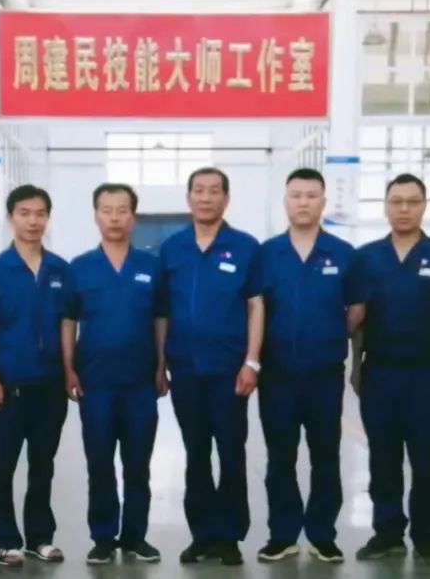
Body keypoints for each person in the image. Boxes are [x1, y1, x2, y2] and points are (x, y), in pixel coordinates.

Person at [349, 173, 430, 566]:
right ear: (385, 206)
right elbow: (358, 317)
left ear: (423, 206)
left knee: (426, 459)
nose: (404, 209)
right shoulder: (366, 258)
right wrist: (355, 365)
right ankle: (387, 532)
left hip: (427, 374)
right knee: (383, 458)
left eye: (412, 202)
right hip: (380, 372)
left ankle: (426, 537)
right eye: (396, 201)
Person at [159, 167, 264, 566]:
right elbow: (162, 311)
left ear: (226, 199)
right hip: (186, 369)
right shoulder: (173, 248)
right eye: (199, 191)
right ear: (189, 198)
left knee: (232, 453)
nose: (206, 198)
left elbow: (256, 306)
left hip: (229, 371)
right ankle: (202, 535)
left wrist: (251, 362)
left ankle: (230, 537)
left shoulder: (245, 247)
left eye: (214, 191)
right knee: (196, 454)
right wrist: (161, 363)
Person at [255, 168, 357, 564]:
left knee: (325, 455)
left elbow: (357, 307)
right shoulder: (267, 254)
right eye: (296, 195)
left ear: (323, 202)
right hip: (277, 373)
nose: (303, 202)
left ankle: (322, 534)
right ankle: (282, 535)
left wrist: (331, 333)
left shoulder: (343, 253)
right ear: (285, 201)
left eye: (311, 195)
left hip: (324, 374)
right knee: (280, 456)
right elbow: (255, 308)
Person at [61, 183, 167, 565]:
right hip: (96, 382)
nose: (115, 218)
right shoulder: (80, 267)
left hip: (140, 382)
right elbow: (68, 321)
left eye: (122, 210)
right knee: (100, 463)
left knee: (138, 464)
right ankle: (104, 538)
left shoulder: (151, 266)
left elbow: (160, 318)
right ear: (96, 216)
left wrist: (161, 365)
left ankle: (135, 536)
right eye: (107, 210)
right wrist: (68, 368)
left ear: (133, 217)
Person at [0, 185, 69, 567]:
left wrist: (69, 371)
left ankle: (40, 538)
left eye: (40, 213)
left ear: (48, 218)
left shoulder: (60, 269)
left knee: (43, 466)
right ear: (11, 217)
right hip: (8, 385)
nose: (33, 221)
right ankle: (5, 540)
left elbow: (68, 324)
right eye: (25, 213)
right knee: (3, 465)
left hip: (50, 385)